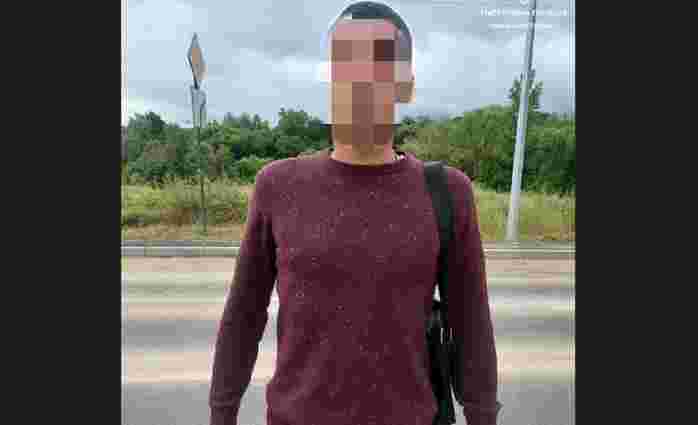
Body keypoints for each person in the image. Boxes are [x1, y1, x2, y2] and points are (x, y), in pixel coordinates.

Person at [209, 2, 502, 424]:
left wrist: (482, 415)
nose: (361, 78)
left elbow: (471, 325)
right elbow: (243, 316)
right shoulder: (278, 186)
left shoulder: (447, 193)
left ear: (405, 86)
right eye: (346, 62)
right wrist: (222, 415)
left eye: (380, 63)